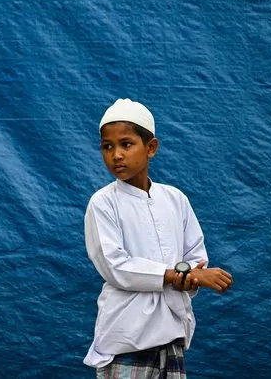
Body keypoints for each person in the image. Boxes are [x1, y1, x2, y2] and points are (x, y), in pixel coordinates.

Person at [83, 98, 234, 378]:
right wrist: (179, 276)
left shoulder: (175, 199)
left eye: (126, 144)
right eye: (107, 146)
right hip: (126, 338)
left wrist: (188, 276)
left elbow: (194, 257)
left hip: (172, 337)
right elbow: (116, 267)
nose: (116, 154)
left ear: (150, 148)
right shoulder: (103, 203)